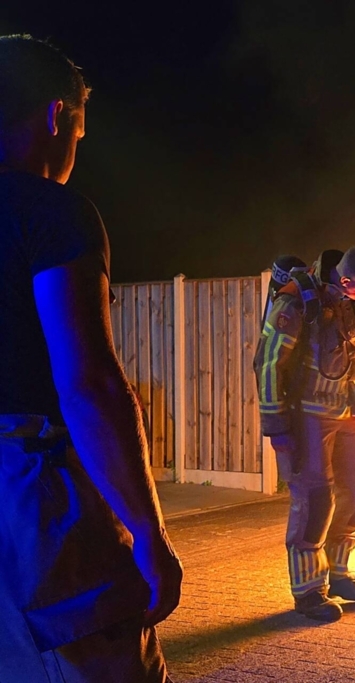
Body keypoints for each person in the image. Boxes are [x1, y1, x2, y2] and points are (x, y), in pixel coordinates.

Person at [0, 35, 181, 681]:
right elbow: (89, 385)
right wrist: (149, 535)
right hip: (32, 504)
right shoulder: (49, 209)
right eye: (79, 130)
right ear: (56, 116)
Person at [255, 245, 355, 622]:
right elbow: (268, 365)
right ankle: (309, 590)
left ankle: (341, 573)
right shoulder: (296, 303)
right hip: (307, 417)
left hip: (349, 414)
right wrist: (276, 426)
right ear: (345, 280)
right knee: (316, 502)